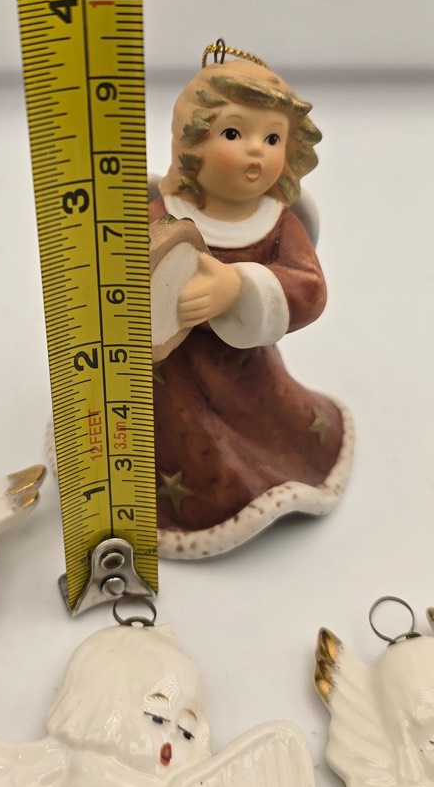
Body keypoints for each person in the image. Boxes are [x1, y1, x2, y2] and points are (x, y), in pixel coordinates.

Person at [150, 51, 353, 558]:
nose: (256, 151)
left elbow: (309, 289)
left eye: (273, 138)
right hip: (171, 375)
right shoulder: (162, 213)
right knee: (181, 438)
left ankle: (264, 474)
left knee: (267, 426)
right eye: (233, 133)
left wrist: (238, 288)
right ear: (190, 141)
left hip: (244, 371)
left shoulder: (278, 223)